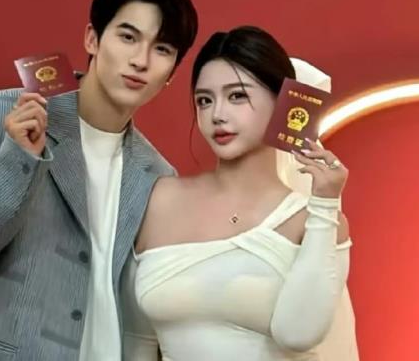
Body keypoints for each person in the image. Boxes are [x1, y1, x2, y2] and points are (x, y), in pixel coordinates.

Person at [0, 0, 198, 361]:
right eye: (128, 37)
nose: (140, 60)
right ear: (92, 39)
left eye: (162, 49)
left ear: (173, 73)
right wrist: (17, 159)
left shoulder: (159, 176)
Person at [122, 26, 358, 360]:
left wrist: (324, 205)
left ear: (284, 103)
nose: (217, 115)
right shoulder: (161, 199)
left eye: (237, 96)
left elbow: (298, 334)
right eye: (204, 100)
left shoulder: (312, 220)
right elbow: (137, 340)